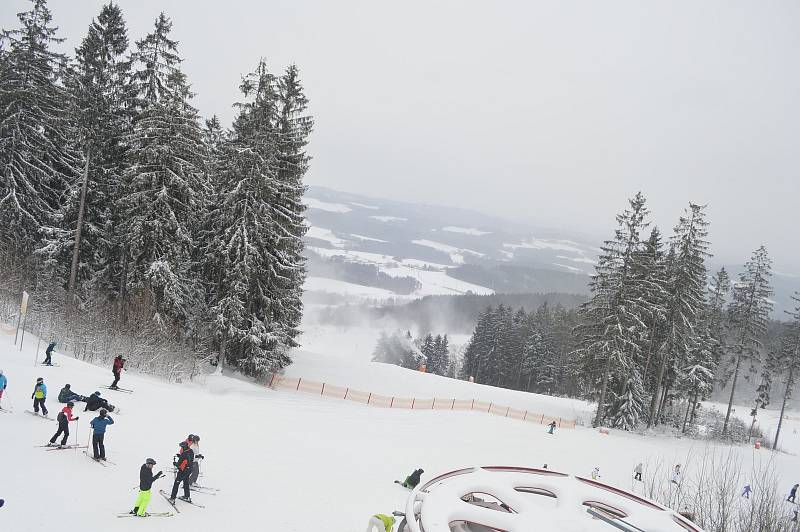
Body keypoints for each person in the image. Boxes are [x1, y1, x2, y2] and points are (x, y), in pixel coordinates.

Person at [169, 434, 197, 503]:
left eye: (181, 447)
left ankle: (172, 498)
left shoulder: (184, 454)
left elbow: (178, 464)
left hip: (183, 471)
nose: (181, 448)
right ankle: (187, 496)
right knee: (186, 482)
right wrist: (180, 456)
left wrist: (174, 463)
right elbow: (188, 459)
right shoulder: (191, 451)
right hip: (190, 469)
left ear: (184, 447)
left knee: (176, 483)